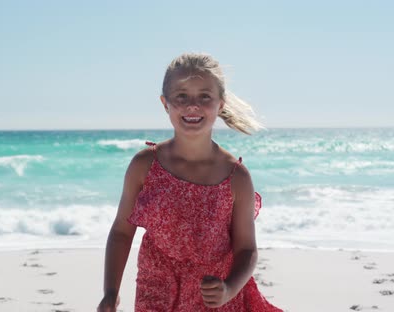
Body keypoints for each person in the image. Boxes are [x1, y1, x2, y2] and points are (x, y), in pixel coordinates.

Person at [97, 53, 283, 311]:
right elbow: (121, 232)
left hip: (214, 294)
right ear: (165, 103)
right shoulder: (145, 165)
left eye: (204, 96)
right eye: (181, 96)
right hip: (156, 289)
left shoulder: (236, 177)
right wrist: (110, 292)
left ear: (220, 104)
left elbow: (247, 250)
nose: (192, 105)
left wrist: (229, 288)